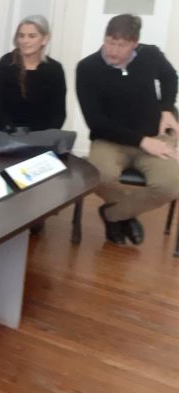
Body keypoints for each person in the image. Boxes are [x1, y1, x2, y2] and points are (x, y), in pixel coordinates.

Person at [76, 14, 179, 245]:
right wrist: (143, 141)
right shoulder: (87, 68)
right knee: (98, 177)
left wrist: (166, 108)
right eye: (110, 42)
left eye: (121, 45)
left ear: (135, 43)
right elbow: (96, 122)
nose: (113, 50)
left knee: (172, 185)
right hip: (110, 141)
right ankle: (126, 215)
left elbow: (171, 77)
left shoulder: (150, 55)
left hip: (153, 138)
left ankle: (113, 215)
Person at [0, 15, 66, 132]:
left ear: (45, 39)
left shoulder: (54, 69)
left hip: (42, 137)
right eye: (21, 36)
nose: (25, 41)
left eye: (32, 36)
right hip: (6, 135)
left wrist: (44, 137)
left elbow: (58, 114)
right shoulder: (4, 66)